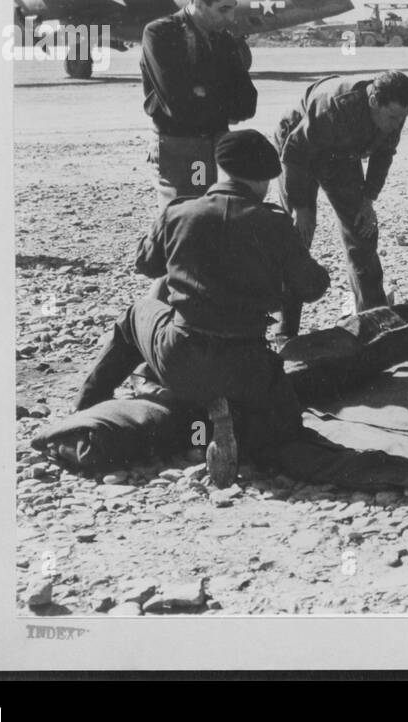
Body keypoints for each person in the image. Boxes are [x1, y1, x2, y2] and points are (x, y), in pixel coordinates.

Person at [73, 130, 330, 486]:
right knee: (282, 430)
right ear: (266, 179)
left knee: (135, 316)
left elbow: (147, 265)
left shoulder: (181, 211)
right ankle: (229, 427)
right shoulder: (273, 223)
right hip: (248, 367)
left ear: (224, 169)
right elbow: (313, 287)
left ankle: (87, 410)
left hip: (182, 358)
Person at [274, 71, 408, 335]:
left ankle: (373, 320)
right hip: (297, 149)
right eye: (393, 118)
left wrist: (367, 199)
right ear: (374, 102)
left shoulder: (394, 112)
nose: (398, 125)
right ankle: (286, 330)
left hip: (340, 155)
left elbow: (384, 154)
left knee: (362, 230)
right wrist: (302, 207)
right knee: (296, 237)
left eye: (403, 117)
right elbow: (294, 152)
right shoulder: (335, 107)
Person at [140, 0, 257, 211]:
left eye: (232, 8)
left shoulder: (224, 40)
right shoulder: (161, 34)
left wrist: (202, 91)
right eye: (223, 9)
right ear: (199, 3)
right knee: (182, 218)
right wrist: (223, 96)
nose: (231, 17)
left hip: (214, 149)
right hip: (180, 148)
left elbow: (248, 103)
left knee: (206, 217)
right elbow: (178, 105)